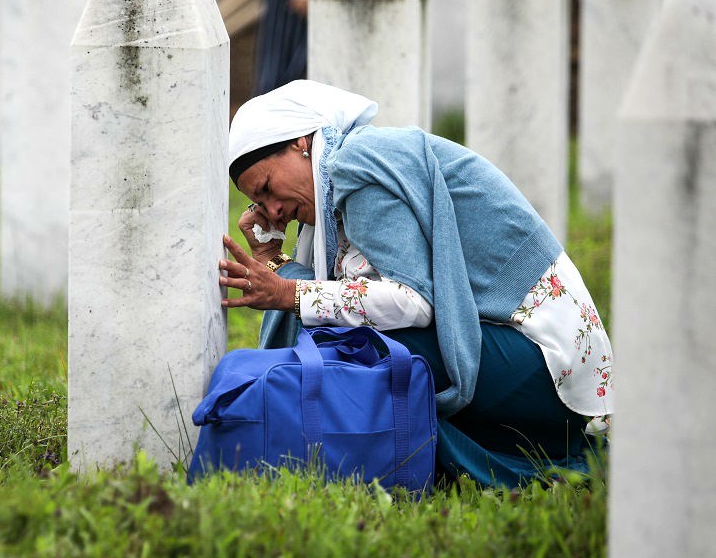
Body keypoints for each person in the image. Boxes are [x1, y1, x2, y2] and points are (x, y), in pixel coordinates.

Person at [219, 80, 613, 486]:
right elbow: (349, 299)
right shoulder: (339, 179)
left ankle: (406, 460)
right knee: (344, 338)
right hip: (523, 359)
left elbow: (411, 302)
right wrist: (275, 261)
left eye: (268, 188)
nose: (274, 210)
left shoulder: (355, 165)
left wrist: (288, 292)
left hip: (546, 363)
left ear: (301, 143)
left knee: (356, 345)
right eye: (259, 203)